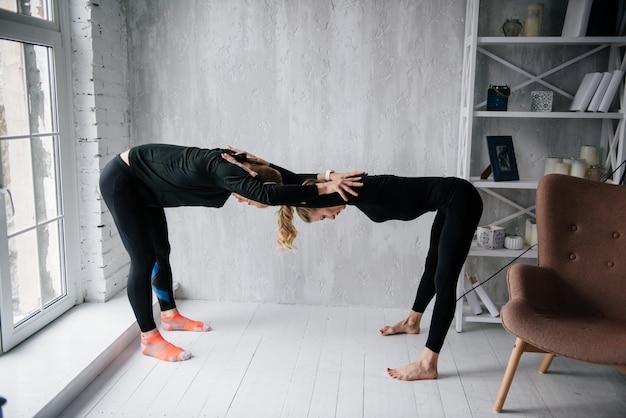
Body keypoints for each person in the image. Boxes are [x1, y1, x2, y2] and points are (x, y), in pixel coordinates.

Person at [224, 154, 483, 381]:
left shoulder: (351, 189)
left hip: (461, 199)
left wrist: (256, 178)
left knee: (444, 279)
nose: (332, 217)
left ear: (318, 204)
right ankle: (412, 322)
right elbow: (296, 182)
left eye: (324, 216)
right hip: (449, 201)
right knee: (433, 265)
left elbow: (290, 188)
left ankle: (428, 363)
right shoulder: (348, 193)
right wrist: (266, 166)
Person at [99, 143, 364, 362]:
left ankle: (170, 316)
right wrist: (324, 188)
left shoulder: (246, 169)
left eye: (248, 199)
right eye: (250, 199)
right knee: (143, 259)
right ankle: (149, 338)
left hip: (145, 185)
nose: (243, 200)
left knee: (160, 251)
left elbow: (287, 180)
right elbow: (269, 194)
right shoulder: (228, 170)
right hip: (123, 179)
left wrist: (329, 176)